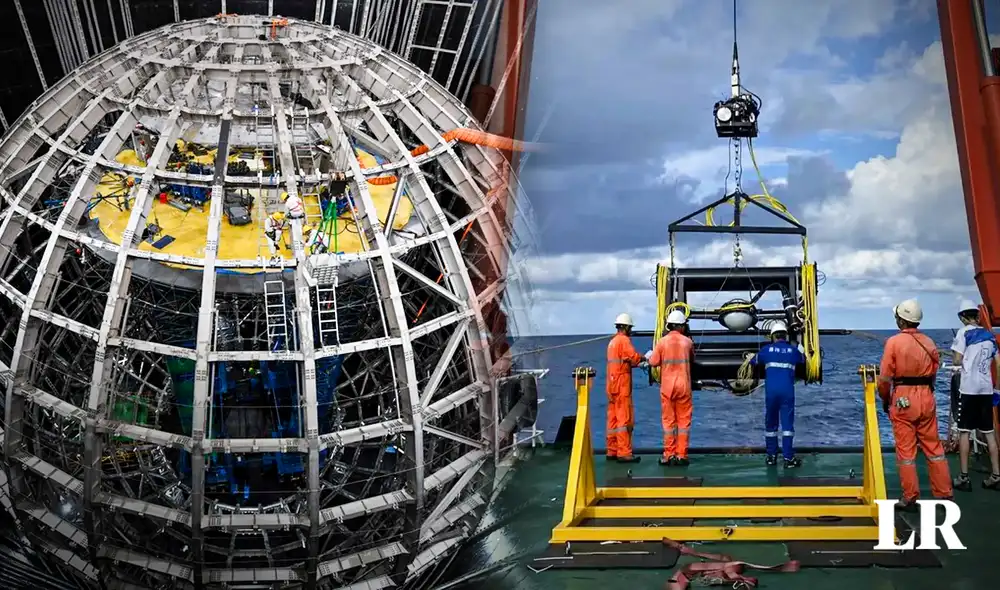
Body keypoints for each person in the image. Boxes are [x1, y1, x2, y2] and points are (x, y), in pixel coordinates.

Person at [878, 298, 953, 511]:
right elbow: (935, 369)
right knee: (934, 448)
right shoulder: (929, 342)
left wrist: (886, 400)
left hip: (903, 399)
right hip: (927, 397)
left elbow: (885, 379)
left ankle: (910, 497)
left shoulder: (893, 342)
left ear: (901, 320)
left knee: (906, 453)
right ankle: (945, 495)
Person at [950, 299, 1000, 491]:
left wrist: (956, 368)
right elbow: (998, 363)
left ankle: (963, 477)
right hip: (986, 390)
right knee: (989, 433)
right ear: (977, 316)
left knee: (964, 432)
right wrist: (997, 389)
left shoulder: (963, 333)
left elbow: (956, 359)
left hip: (969, 390)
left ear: (962, 317)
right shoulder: (989, 336)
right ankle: (996, 475)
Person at [751, 320, 805, 467]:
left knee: (771, 425)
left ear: (773, 336)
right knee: (787, 427)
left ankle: (771, 457)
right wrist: (799, 346)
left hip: (771, 393)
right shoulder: (793, 351)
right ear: (785, 336)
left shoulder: (766, 350)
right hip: (787, 392)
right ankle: (788, 459)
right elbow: (803, 359)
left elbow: (753, 362)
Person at [648, 309, 694, 466]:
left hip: (667, 387)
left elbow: (653, 362)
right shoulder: (688, 342)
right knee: (683, 423)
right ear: (682, 326)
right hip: (683, 386)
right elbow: (692, 358)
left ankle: (669, 455)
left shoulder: (662, 342)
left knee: (668, 423)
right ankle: (682, 455)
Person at [606, 313, 645, 463]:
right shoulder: (624, 341)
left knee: (613, 419)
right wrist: (643, 358)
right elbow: (633, 357)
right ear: (627, 327)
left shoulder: (612, 342)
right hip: (622, 384)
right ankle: (624, 452)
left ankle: (612, 450)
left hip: (611, 384)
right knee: (624, 419)